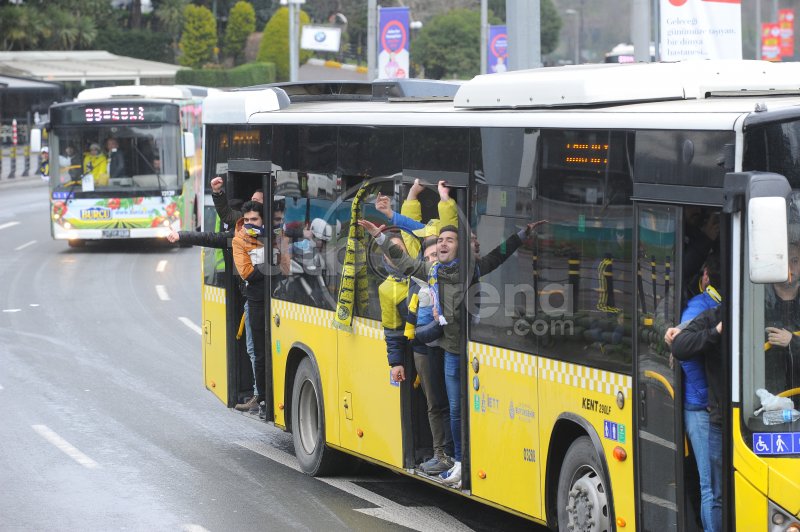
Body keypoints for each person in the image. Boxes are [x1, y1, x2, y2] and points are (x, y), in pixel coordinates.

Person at [359, 217, 547, 487]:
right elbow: (403, 261)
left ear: (461, 247)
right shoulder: (432, 270)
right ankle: (458, 463)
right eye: (442, 240)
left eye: (450, 240)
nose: (443, 243)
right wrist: (380, 237)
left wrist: (521, 234)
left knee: (462, 408)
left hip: (470, 352)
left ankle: (462, 460)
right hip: (450, 351)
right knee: (455, 409)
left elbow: (499, 256)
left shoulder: (472, 269)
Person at [665, 255, 721, 532]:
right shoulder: (699, 307)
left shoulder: (722, 303)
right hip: (700, 409)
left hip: (713, 407)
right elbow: (684, 353)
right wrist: (706, 400)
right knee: (710, 484)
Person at [232, 201, 268, 418]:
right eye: (246, 221)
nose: (249, 224)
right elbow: (247, 273)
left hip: (275, 299)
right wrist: (269, 261)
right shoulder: (240, 241)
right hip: (255, 300)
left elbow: (283, 265)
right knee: (258, 352)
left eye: (254, 220)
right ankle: (261, 398)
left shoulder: (273, 236)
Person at [763, 242, 800, 392]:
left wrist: (793, 342)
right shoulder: (756, 301)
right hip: (768, 394)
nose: (789, 269)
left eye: (795, 261)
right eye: (783, 261)